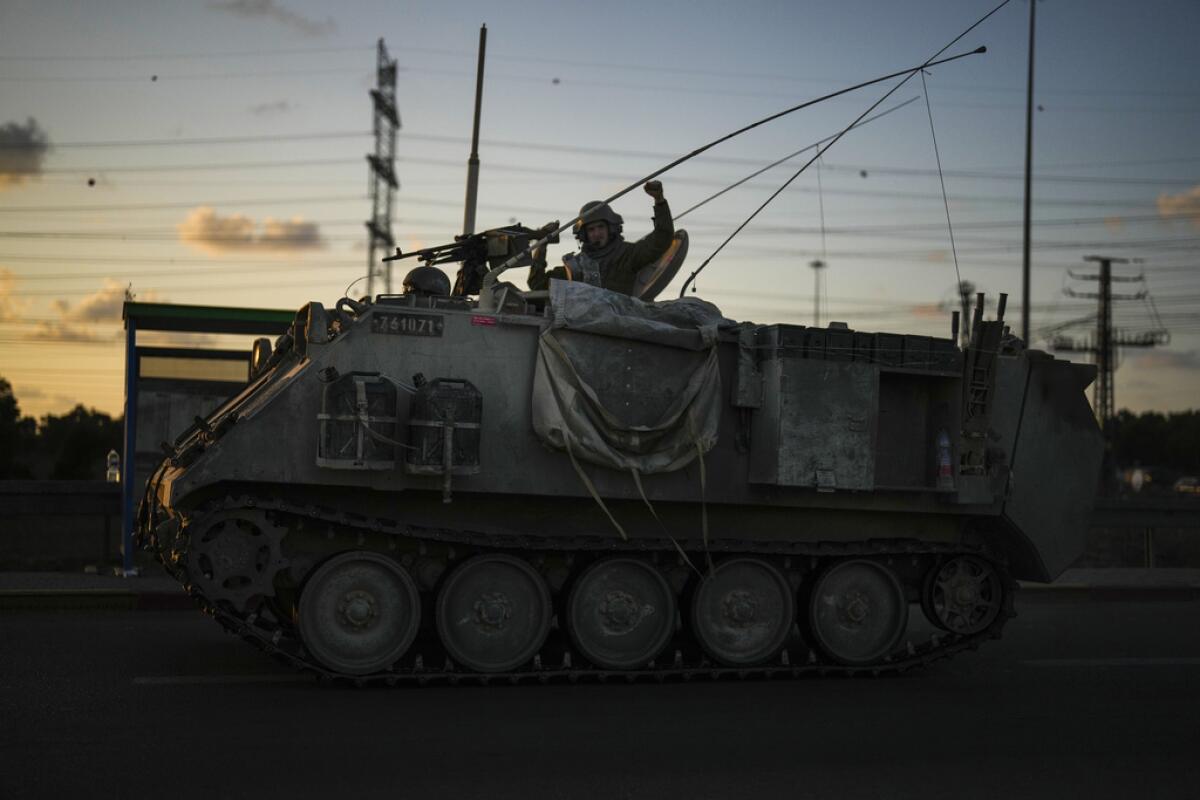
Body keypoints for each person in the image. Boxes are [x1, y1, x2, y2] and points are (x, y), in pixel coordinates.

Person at [528, 180, 673, 296]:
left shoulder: (627, 254)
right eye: (591, 229)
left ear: (611, 228)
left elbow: (662, 239)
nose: (597, 233)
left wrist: (659, 201)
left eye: (600, 227)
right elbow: (537, 285)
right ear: (584, 234)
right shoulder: (576, 265)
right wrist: (543, 243)